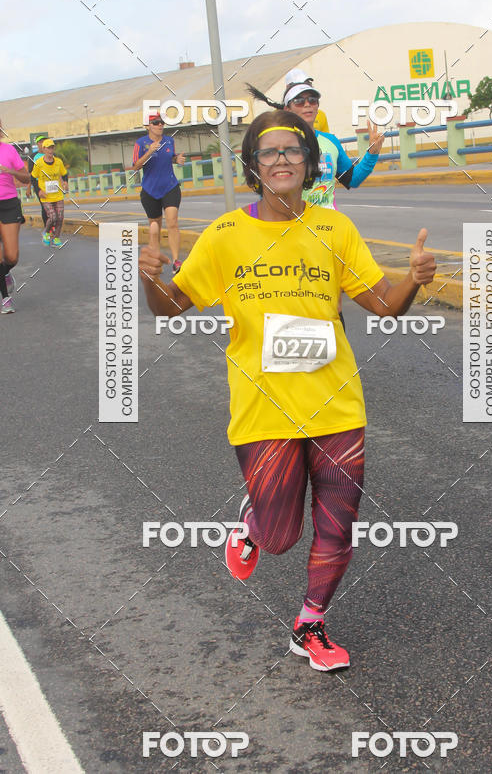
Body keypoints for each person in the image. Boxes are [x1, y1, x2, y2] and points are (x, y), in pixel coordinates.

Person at [138, 109, 436, 672]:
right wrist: (151, 278)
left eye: (292, 151)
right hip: (263, 408)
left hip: (336, 402)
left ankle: (311, 623)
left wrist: (412, 282)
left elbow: (382, 303)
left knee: (338, 524)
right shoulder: (226, 235)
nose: (281, 159)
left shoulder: (335, 229)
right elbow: (173, 305)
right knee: (279, 536)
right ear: (253, 165)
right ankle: (254, 520)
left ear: (310, 163)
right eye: (269, 152)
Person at [247, 67, 385, 209]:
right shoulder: (278, 144)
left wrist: (372, 153)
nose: (307, 104)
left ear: (317, 106)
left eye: (312, 100)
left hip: (328, 227)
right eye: (299, 100)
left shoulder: (330, 141)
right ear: (288, 109)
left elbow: (352, 180)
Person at [132, 113, 186, 273]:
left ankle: (176, 261)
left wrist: (177, 160)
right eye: (156, 122)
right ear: (148, 126)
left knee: (172, 222)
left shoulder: (169, 141)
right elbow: (135, 166)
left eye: (162, 122)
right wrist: (149, 151)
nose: (160, 125)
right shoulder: (140, 143)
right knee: (155, 227)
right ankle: (154, 258)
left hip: (170, 187)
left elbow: (168, 158)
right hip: (150, 191)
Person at [0, 122, 31, 313]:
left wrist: (9, 171)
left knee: (11, 256)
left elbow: (26, 178)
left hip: (9, 203)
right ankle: (6, 300)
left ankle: (6, 273)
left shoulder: (9, 150)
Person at [33, 139, 67, 247]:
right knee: (53, 217)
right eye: (48, 148)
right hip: (46, 196)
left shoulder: (58, 162)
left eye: (52, 147)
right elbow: (33, 178)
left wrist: (65, 182)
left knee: (60, 217)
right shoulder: (39, 163)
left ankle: (56, 238)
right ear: (44, 149)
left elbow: (64, 173)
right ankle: (46, 233)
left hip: (58, 195)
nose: (50, 150)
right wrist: (39, 191)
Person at [25, 135, 48, 227]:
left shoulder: (51, 154)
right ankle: (48, 228)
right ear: (37, 144)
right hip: (38, 184)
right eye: (40, 142)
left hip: (51, 183)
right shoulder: (33, 156)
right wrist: (28, 188)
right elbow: (31, 173)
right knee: (45, 206)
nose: (42, 143)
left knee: (54, 206)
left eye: (44, 141)